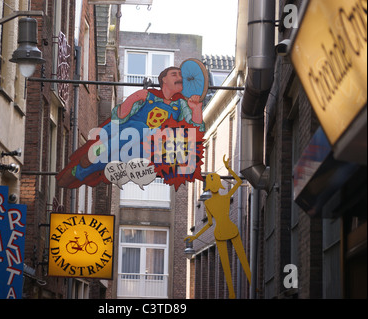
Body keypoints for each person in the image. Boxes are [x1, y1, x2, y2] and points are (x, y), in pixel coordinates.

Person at [57, 65, 205, 188]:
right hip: (128, 133)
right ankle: (92, 157)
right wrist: (134, 99)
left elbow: (196, 130)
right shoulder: (147, 95)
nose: (179, 77)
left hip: (144, 146)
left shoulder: (181, 105)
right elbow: (120, 116)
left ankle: (84, 166)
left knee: (102, 164)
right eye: (174, 74)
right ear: (163, 80)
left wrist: (196, 109)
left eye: (180, 75)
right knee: (140, 128)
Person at [184, 156, 251, 299]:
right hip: (224, 232)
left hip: (224, 232)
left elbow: (239, 181)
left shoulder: (222, 199)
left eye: (215, 181)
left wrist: (228, 168)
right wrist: (194, 237)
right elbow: (208, 223)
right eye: (212, 182)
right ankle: (234, 292)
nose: (214, 185)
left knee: (241, 259)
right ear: (209, 185)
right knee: (228, 265)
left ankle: (250, 285)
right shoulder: (214, 201)